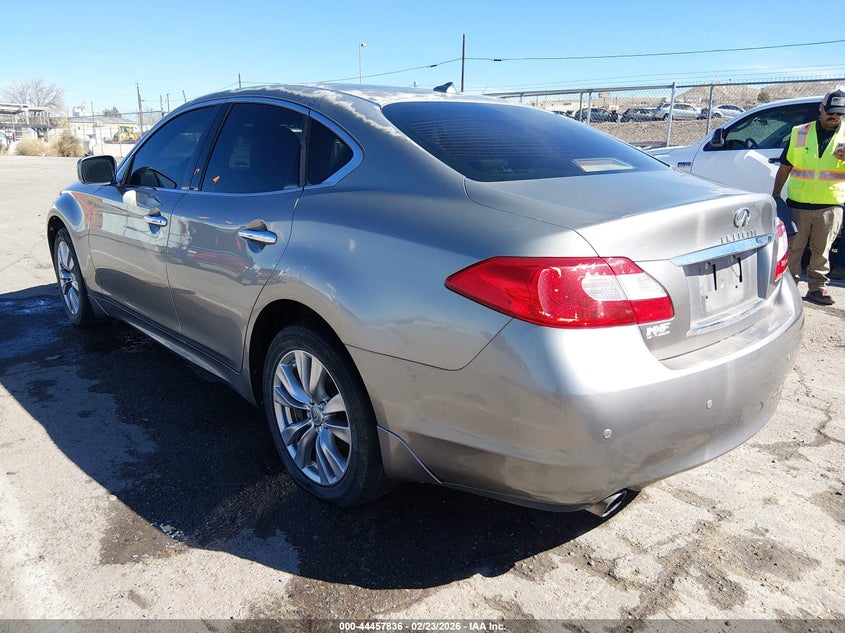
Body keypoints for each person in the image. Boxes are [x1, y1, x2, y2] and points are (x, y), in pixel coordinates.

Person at [772, 89, 845, 305]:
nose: (834, 117)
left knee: (821, 250)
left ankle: (817, 288)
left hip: (830, 204)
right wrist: (776, 195)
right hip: (798, 203)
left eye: (839, 114)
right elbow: (785, 167)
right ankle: (789, 286)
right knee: (793, 248)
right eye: (830, 112)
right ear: (821, 109)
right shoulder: (799, 132)